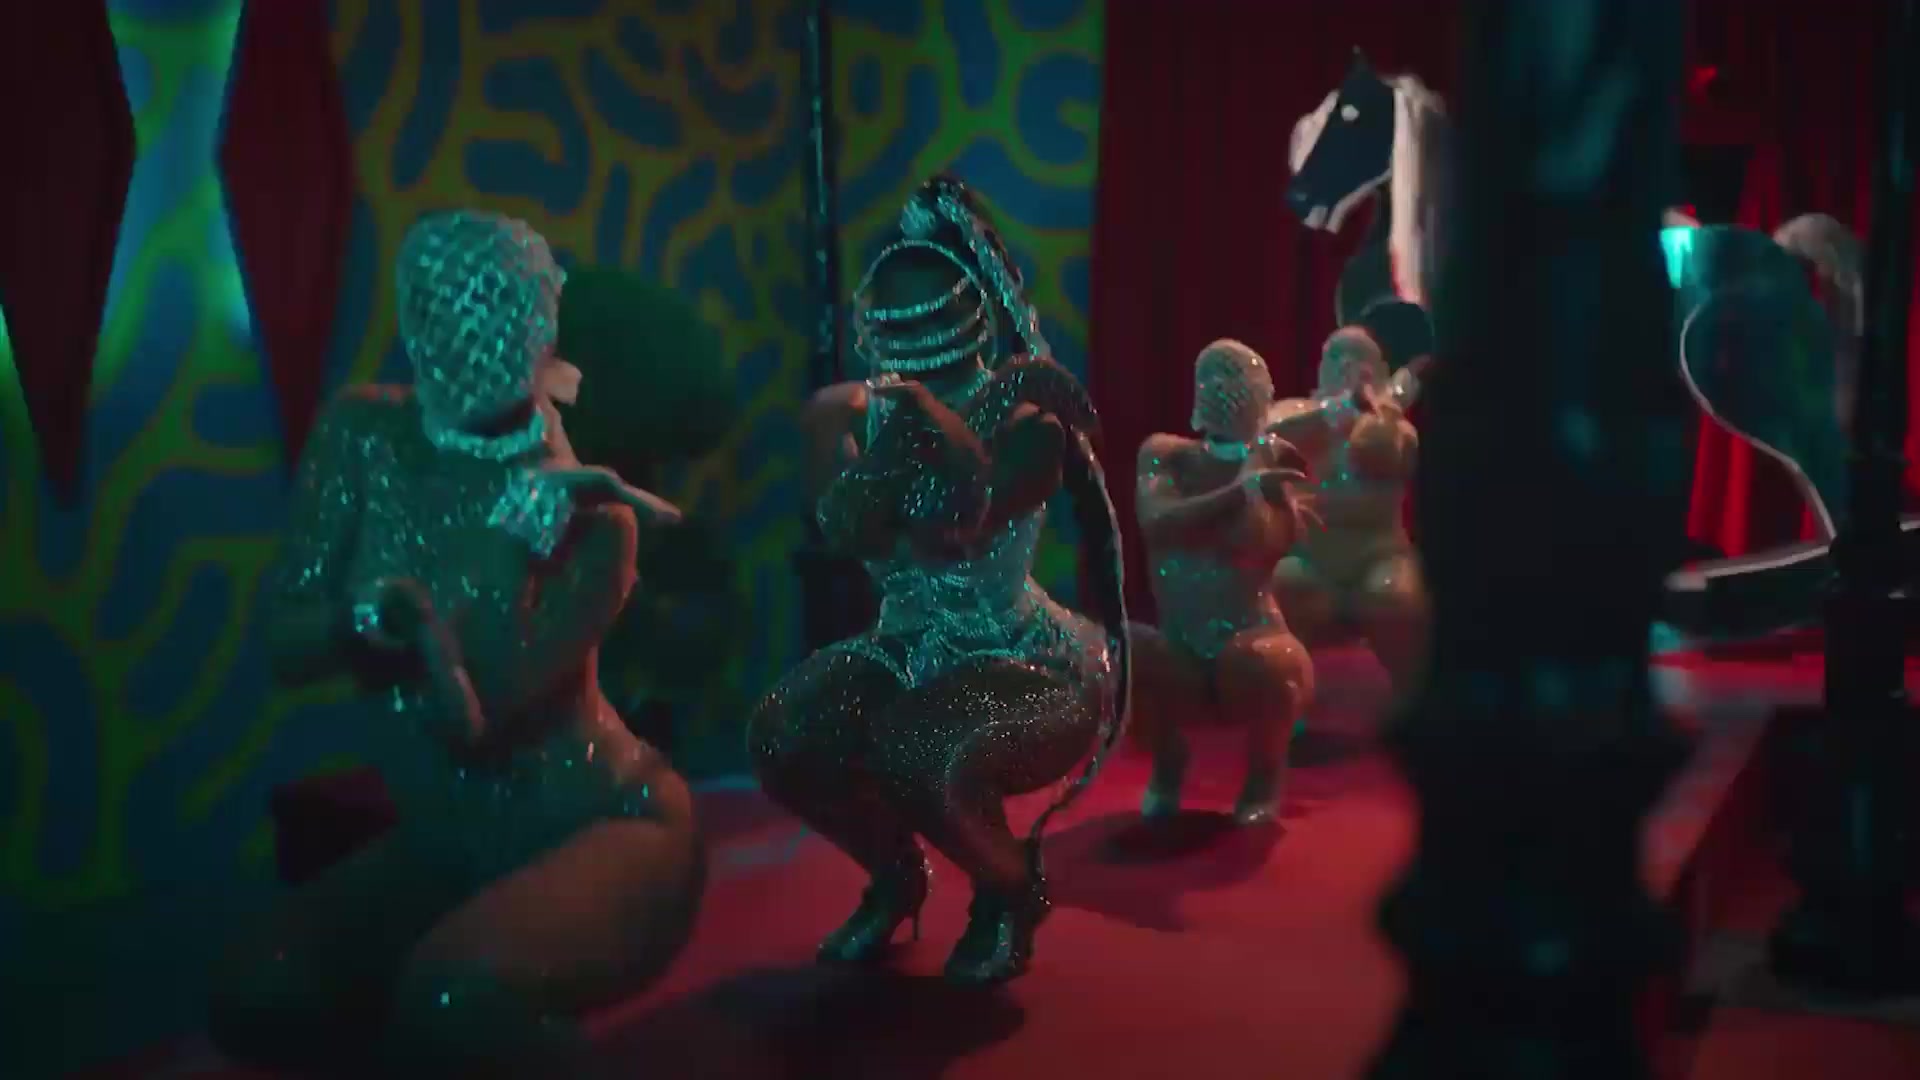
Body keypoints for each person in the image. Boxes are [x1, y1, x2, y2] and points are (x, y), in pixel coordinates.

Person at [208, 211, 702, 1077]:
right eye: (444, 307)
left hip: (606, 824)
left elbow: (475, 713)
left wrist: (515, 530)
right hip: (447, 843)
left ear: (541, 324)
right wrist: (370, 619)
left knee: (454, 998)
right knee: (259, 992)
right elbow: (286, 640)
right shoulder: (364, 437)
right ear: (413, 313)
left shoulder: (593, 517)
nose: (470, 334)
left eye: (498, 310)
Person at [749, 174, 1131, 986]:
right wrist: (899, 439)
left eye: (932, 311)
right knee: (784, 735)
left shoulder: (1029, 422)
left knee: (918, 746)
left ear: (975, 310)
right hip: (906, 645)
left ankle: (1010, 889)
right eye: (898, 311)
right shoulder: (841, 414)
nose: (917, 329)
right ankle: (895, 875)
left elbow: (953, 529)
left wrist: (942, 428)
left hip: (1020, 653)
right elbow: (846, 530)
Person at [1129, 340, 1317, 824]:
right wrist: (1240, 490)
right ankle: (1168, 765)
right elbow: (1157, 522)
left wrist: (1254, 467)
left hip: (1252, 643)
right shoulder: (1165, 455)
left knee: (1262, 662)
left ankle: (1264, 778)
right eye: (1214, 378)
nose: (1224, 391)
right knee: (1124, 650)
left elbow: (1248, 538)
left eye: (1238, 382)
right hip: (1182, 650)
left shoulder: (1274, 470)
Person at [1268, 318, 1430, 694]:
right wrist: (1337, 410)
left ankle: (1409, 697)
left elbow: (1375, 454)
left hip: (1378, 556)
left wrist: (1380, 408)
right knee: (1284, 585)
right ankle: (1290, 698)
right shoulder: (1293, 412)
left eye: (1360, 357)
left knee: (1395, 596)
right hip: (1311, 558)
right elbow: (1270, 443)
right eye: (1338, 356)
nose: (1348, 366)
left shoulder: (1396, 429)